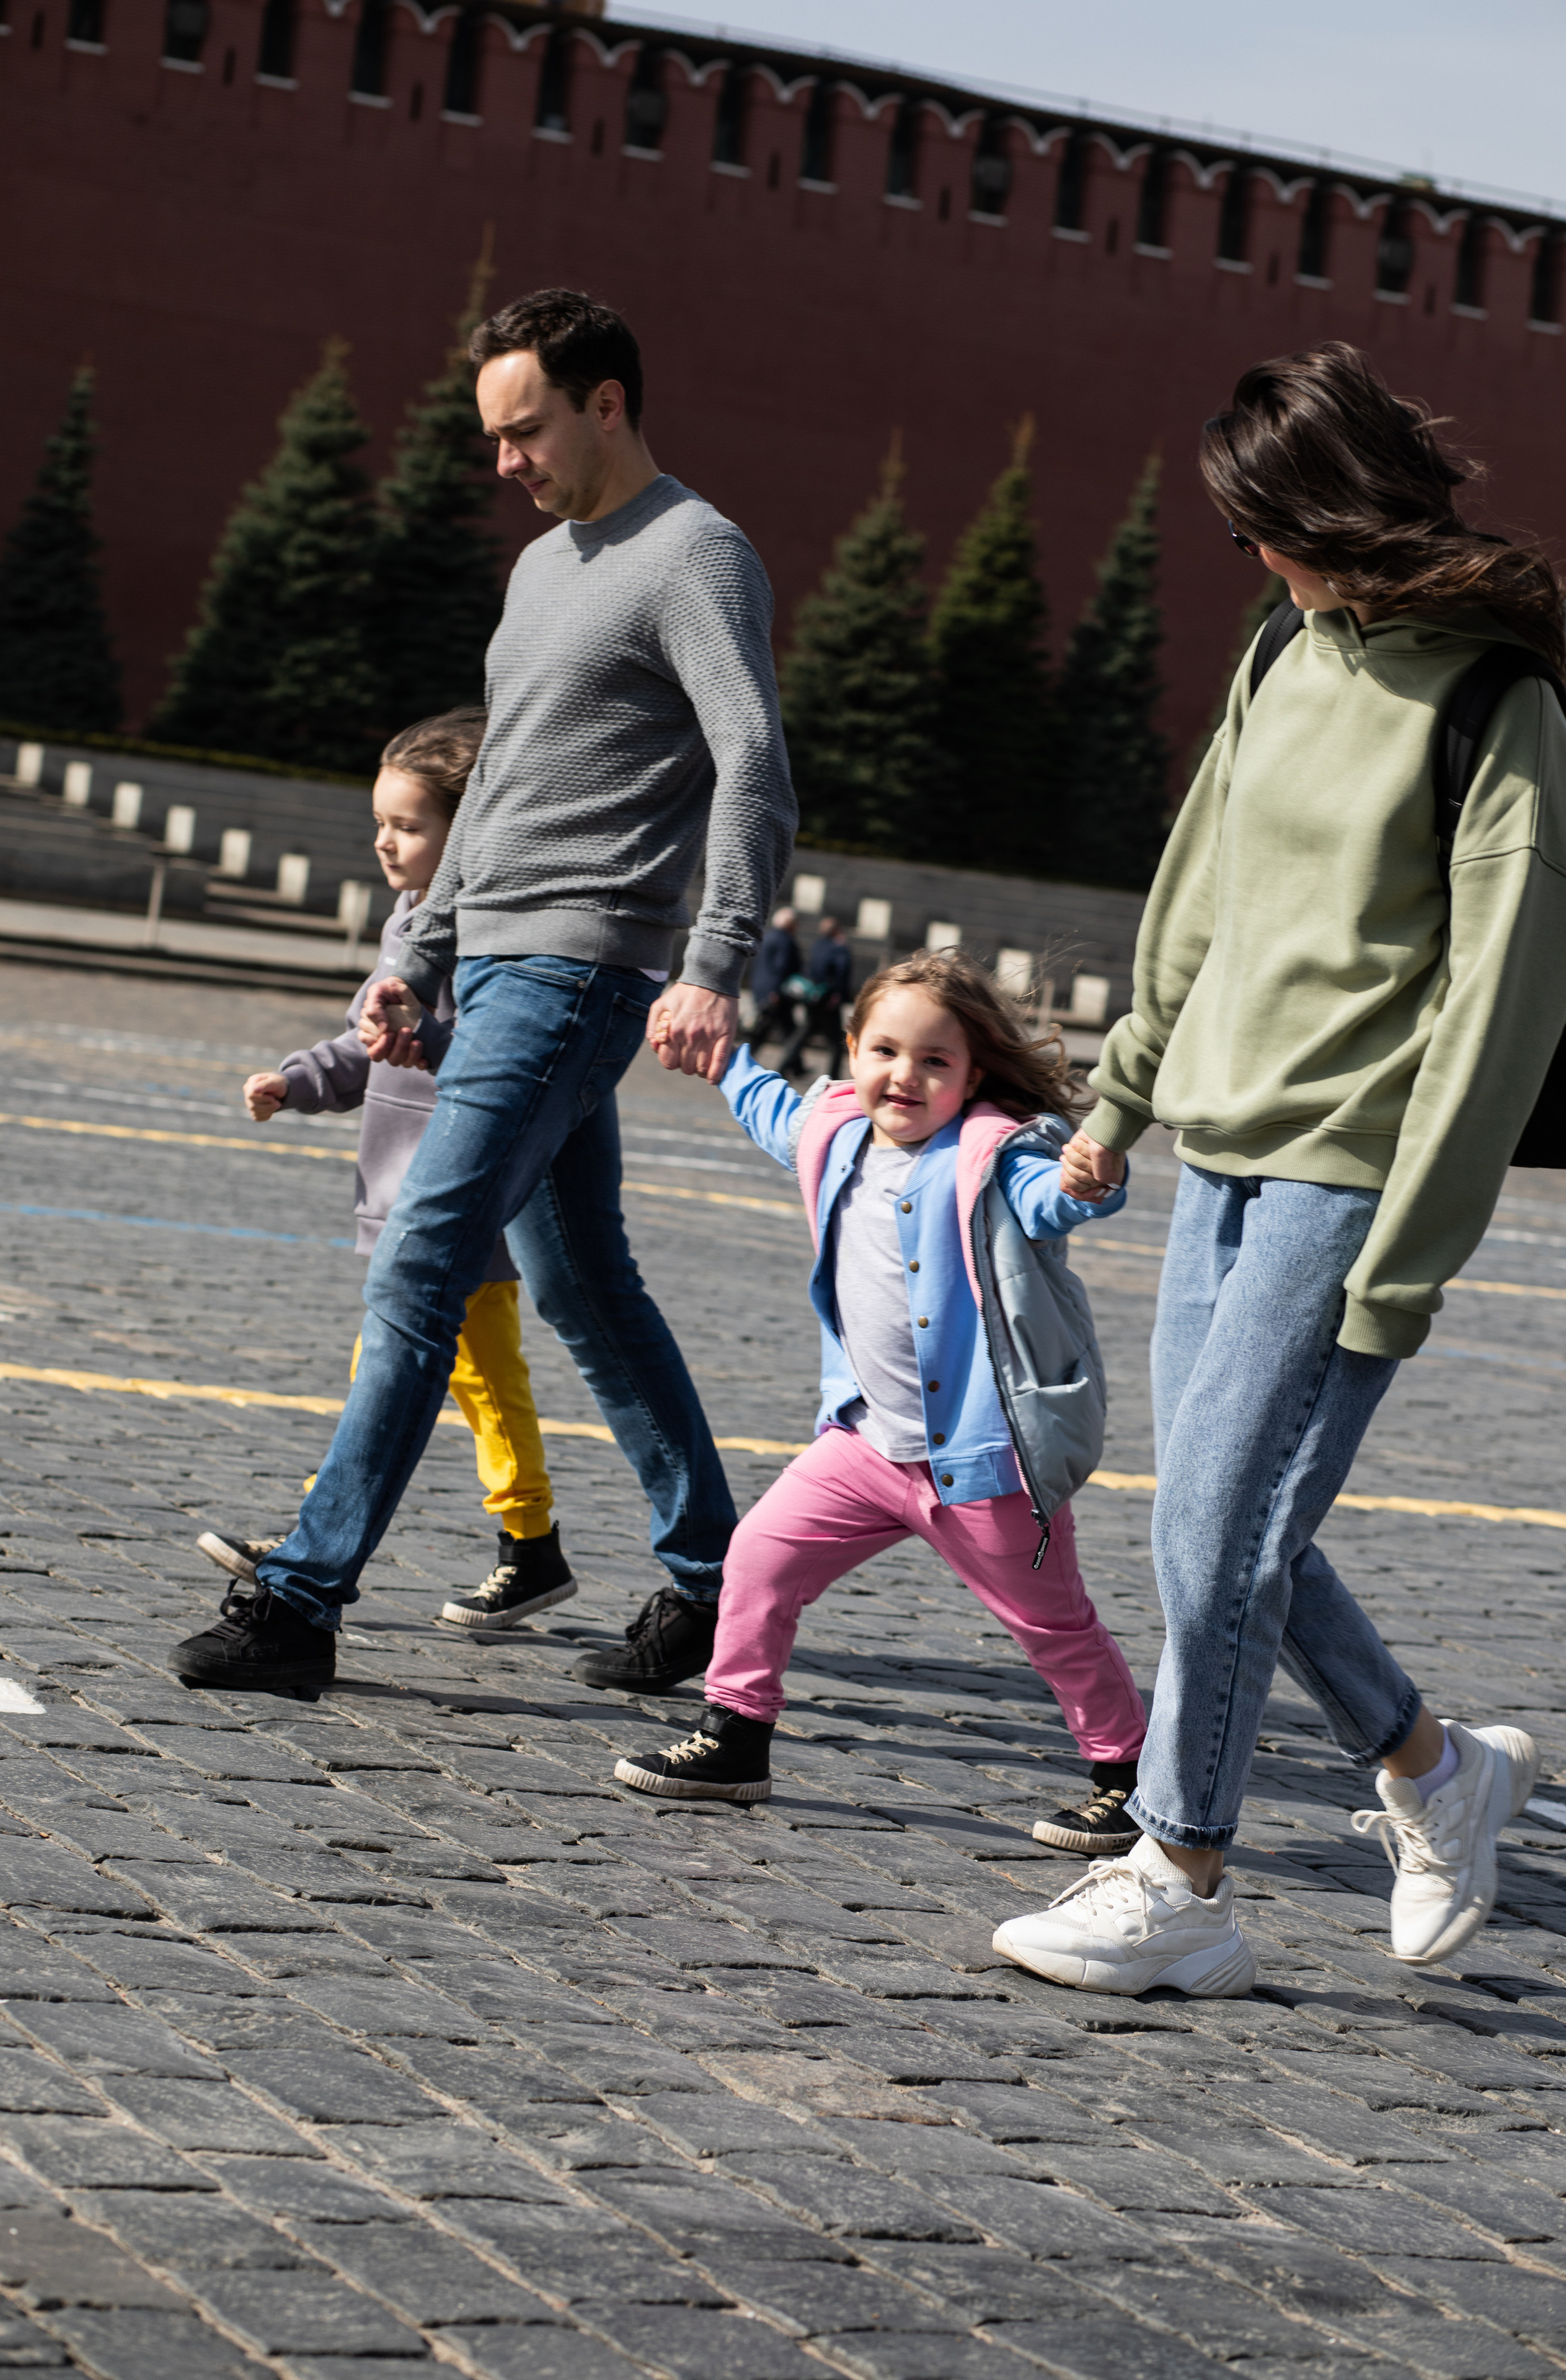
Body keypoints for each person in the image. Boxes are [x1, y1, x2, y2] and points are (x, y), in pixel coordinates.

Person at [994, 342, 1566, 2000]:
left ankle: (1178, 1874)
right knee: (1221, 1527)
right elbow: (1200, 890)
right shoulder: (1278, 649)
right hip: (1222, 1151)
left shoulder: (1498, 705)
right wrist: (1120, 1097)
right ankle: (1435, 1771)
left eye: (1261, 525)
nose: (1248, 555)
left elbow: (1503, 1008)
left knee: (1217, 1529)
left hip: (1349, 1175)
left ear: (1332, 509)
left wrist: (1408, 1258)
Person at [171, 287, 796, 1704]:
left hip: (578, 967)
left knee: (422, 1260)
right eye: (494, 435)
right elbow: (500, 783)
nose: (504, 460)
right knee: (581, 1285)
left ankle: (301, 1597)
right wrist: (420, 954)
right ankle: (715, 1580)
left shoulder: (695, 554)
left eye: (525, 431)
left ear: (606, 404)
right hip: (496, 961)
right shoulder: (539, 569)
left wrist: (714, 962)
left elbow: (753, 763)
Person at [613, 949, 1148, 1836]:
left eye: (936, 1061)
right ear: (852, 1047)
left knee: (1052, 1626)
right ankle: (736, 1734)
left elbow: (1054, 1198)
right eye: (886, 1052)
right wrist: (721, 1060)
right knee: (758, 1559)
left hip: (980, 1464)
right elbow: (770, 1108)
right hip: (862, 1445)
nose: (905, 1076)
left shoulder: (993, 1154)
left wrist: (1090, 1175)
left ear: (973, 1074)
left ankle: (1130, 1775)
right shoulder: (832, 1128)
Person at [185, 708, 573, 1666]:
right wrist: (297, 1080)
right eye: (379, 823)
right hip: (404, 1205)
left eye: (408, 825)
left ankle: (528, 1544)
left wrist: (427, 1039)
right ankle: (331, 1535)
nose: (384, 842)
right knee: (392, 1378)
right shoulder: (409, 923)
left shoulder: (496, 937)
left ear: (471, 831)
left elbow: (497, 1060)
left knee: (483, 1383)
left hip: (465, 1201)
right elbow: (364, 1044)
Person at [748, 906, 803, 1068]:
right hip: (777, 993)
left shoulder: (767, 937)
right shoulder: (785, 941)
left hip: (762, 989)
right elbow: (781, 968)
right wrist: (775, 991)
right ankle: (793, 1065)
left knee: (783, 1029)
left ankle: (796, 1065)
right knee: (772, 1030)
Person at [803, 915, 854, 1072]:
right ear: (837, 931)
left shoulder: (816, 945)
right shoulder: (838, 948)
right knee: (836, 1042)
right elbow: (842, 972)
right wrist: (838, 995)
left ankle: (786, 1064)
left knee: (804, 1033)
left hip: (814, 996)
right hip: (828, 998)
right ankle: (833, 1075)